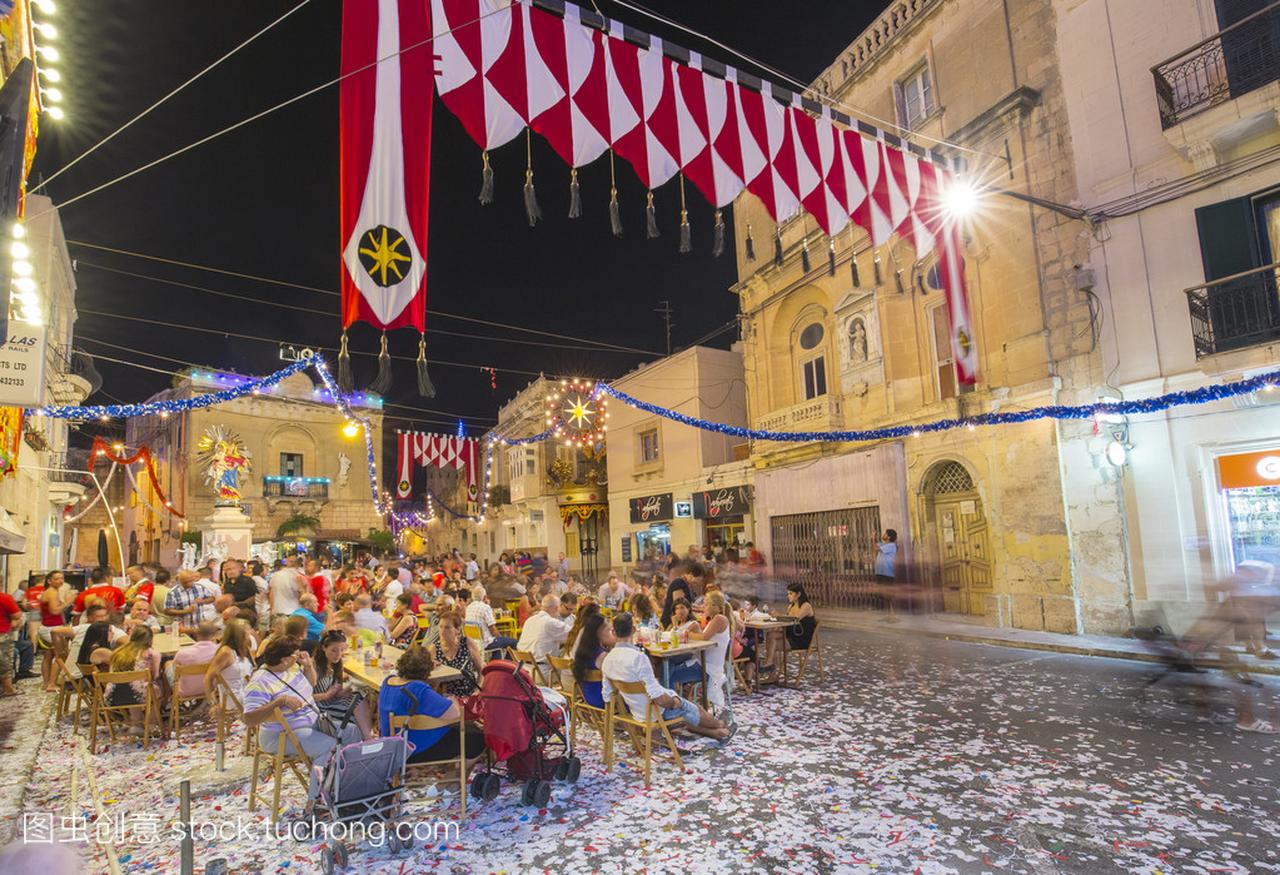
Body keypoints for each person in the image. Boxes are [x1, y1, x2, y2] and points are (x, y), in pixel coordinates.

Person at [242, 638, 361, 809]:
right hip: (281, 734)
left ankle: (346, 787)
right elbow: (249, 719)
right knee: (328, 746)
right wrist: (278, 702)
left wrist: (308, 666)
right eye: (295, 655)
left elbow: (309, 686)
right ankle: (315, 802)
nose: (298, 656)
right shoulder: (260, 682)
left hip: (311, 721)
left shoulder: (290, 668)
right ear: (284, 660)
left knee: (352, 732)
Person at [601, 613, 734, 742]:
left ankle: (716, 732)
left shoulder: (608, 660)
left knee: (685, 712)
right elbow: (657, 697)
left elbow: (607, 696)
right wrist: (675, 701)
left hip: (635, 711)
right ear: (633, 630)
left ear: (614, 632)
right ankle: (720, 725)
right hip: (654, 711)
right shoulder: (638, 658)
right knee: (692, 708)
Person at [379, 645, 485, 762]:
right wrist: (452, 699)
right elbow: (454, 714)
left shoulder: (387, 681)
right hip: (415, 749)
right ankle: (454, 777)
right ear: (427, 671)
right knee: (479, 738)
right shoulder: (419, 690)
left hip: (393, 747)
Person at [312, 630, 374, 739]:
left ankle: (368, 736)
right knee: (358, 701)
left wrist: (340, 693)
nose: (338, 655)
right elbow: (306, 698)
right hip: (321, 708)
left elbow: (334, 691)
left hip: (332, 701)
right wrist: (327, 695)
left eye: (341, 650)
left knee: (359, 695)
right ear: (323, 648)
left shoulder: (336, 664)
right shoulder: (314, 667)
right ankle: (369, 737)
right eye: (334, 650)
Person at [103, 626, 162, 735]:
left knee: (131, 684)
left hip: (111, 696)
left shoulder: (117, 652)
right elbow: (155, 676)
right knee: (155, 689)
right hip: (136, 694)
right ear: (150, 639)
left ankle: (136, 724)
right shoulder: (151, 653)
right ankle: (151, 724)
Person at [687, 591, 733, 716]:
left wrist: (687, 635)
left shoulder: (719, 619)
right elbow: (704, 635)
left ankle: (674, 712)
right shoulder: (714, 619)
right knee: (675, 666)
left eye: (706, 604)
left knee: (670, 673)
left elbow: (704, 637)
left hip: (708, 668)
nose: (704, 607)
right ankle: (685, 706)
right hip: (705, 662)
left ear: (715, 606)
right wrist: (695, 627)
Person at [203, 618, 256, 708]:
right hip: (233, 697)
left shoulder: (245, 649)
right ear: (239, 635)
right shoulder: (226, 652)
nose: (250, 634)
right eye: (247, 632)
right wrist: (213, 703)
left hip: (246, 691)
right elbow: (208, 678)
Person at [516, 595, 575, 672]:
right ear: (557, 608)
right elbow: (575, 636)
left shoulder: (530, 620)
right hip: (542, 672)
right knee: (574, 673)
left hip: (523, 671)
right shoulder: (551, 623)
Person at [433, 611, 484, 698]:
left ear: (457, 630)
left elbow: (481, 671)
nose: (442, 631)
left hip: (469, 693)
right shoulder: (434, 648)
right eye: (440, 627)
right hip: (445, 698)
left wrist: (477, 691)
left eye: (447, 627)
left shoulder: (467, 643)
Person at [571, 612, 614, 709]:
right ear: (600, 632)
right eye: (609, 630)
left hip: (589, 698)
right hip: (603, 701)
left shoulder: (583, 651)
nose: (610, 634)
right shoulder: (602, 656)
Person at [169, 621, 221, 699]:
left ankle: (167, 700)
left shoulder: (183, 653)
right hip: (213, 689)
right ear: (214, 635)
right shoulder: (221, 652)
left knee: (167, 666)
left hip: (185, 691)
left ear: (196, 633)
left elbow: (174, 671)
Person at [35, 572, 68, 691]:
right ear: (49, 581)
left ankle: (46, 682)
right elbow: (54, 611)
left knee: (48, 655)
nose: (60, 581)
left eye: (62, 578)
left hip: (46, 626)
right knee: (61, 655)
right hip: (52, 628)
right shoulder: (52, 592)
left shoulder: (49, 592)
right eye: (57, 578)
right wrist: (67, 603)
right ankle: (52, 684)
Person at [465, 585, 516, 655]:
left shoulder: (468, 607)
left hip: (473, 643)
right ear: (485, 597)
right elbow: (493, 630)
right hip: (485, 643)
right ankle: (507, 664)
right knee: (514, 642)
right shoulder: (485, 607)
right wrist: (500, 639)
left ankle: (496, 663)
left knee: (498, 644)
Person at [0, 586, 24, 696]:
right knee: (5, 661)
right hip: (2, 633)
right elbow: (16, 614)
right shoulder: (4, 598)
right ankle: (8, 688)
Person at [660, 562, 700, 627]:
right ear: (691, 574)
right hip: (672, 621)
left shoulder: (688, 585)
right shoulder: (679, 583)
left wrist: (699, 608)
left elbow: (687, 604)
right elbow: (679, 604)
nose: (698, 583)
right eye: (698, 579)